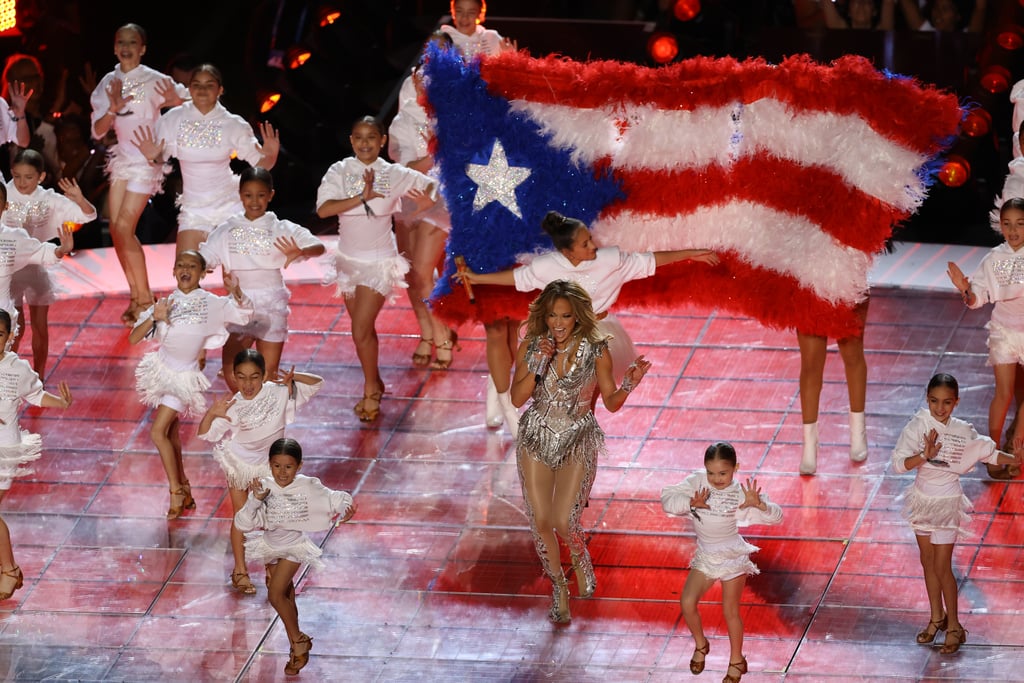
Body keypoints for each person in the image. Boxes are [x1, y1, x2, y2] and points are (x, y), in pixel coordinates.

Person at [460, 210, 718, 435]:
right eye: (585, 244)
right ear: (567, 252)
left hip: (597, 336)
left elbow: (650, 260)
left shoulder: (610, 262)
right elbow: (517, 278)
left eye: (591, 240)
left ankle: (580, 445)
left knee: (587, 400)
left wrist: (690, 254)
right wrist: (475, 278)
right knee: (556, 396)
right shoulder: (546, 268)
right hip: (561, 338)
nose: (593, 246)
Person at [511, 280, 651, 623]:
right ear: (544, 316)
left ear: (578, 318)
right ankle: (559, 586)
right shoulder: (531, 345)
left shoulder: (597, 349)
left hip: (577, 436)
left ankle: (579, 555)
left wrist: (629, 384)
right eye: (553, 316)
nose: (558, 323)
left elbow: (611, 402)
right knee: (540, 521)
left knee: (564, 519)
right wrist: (537, 365)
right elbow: (517, 398)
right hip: (536, 436)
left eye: (566, 316)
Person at [315, 116, 436, 423]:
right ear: (351, 141)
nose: (364, 143)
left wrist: (420, 205)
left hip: (379, 263)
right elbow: (323, 209)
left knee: (359, 329)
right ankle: (376, 381)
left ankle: (371, 388)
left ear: (382, 140)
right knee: (362, 332)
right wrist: (361, 197)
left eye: (371, 137)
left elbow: (433, 188)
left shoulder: (393, 174)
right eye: (358, 137)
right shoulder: (339, 171)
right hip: (347, 261)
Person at [891, 373, 1018, 655]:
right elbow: (899, 465)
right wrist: (924, 455)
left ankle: (955, 627)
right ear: (927, 399)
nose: (940, 408)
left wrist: (1013, 459)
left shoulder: (962, 430)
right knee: (927, 562)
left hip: (947, 503)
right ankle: (937, 618)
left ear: (956, 402)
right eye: (935, 401)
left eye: (947, 402)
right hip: (922, 501)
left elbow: (988, 453)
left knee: (942, 566)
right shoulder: (918, 425)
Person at [129, 250, 252, 519]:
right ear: (174, 271)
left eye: (192, 266)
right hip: (160, 371)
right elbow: (134, 338)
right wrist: (154, 317)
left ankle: (175, 490)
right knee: (170, 434)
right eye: (180, 265)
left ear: (202, 273)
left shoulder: (211, 304)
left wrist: (238, 294)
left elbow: (243, 313)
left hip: (184, 377)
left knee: (157, 432)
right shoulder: (165, 303)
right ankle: (184, 487)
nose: (185, 269)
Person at [197, 349, 323, 595]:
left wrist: (294, 379)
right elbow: (205, 433)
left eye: (254, 377)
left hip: (267, 468)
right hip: (240, 464)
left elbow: (317, 383)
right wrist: (211, 413)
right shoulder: (233, 405)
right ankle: (240, 571)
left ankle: (270, 571)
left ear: (264, 374)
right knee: (242, 517)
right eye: (241, 377)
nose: (248, 384)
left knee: (270, 519)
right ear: (233, 376)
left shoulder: (277, 393)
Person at [90, 23, 188, 324]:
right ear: (114, 46)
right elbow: (97, 130)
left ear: (142, 48)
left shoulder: (154, 79)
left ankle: (145, 298)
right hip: (122, 160)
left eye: (133, 42)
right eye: (121, 41)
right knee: (118, 230)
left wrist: (173, 103)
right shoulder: (109, 82)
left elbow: (188, 99)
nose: (126, 46)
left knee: (122, 226)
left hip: (147, 160)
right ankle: (136, 297)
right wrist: (113, 109)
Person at [661, 442, 783, 683]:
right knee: (687, 601)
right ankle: (701, 644)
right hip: (706, 556)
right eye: (711, 472)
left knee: (730, 611)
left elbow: (777, 516)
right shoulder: (697, 482)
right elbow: (667, 499)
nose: (716, 479)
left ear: (735, 468)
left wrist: (760, 505)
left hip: (731, 556)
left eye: (723, 473)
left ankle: (737, 660)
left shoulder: (740, 493)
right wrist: (689, 503)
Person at [234, 438, 356, 675]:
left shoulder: (307, 486)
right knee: (286, 595)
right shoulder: (263, 487)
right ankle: (296, 646)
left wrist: (346, 507)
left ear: (299, 466)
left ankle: (299, 641)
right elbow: (242, 523)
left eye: (288, 466)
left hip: (294, 548)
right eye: (276, 465)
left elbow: (336, 498)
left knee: (275, 594)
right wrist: (255, 500)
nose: (282, 472)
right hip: (269, 548)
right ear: (269, 464)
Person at [131, 63, 280, 254]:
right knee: (185, 274)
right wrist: (153, 156)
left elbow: (261, 166)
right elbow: (160, 159)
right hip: (194, 210)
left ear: (220, 90)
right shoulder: (173, 119)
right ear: (190, 88)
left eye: (209, 85)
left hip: (231, 206)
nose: (202, 90)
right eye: (197, 85)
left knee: (238, 277)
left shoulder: (232, 123)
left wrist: (271, 156)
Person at [199, 167, 325, 390]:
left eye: (260, 195)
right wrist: (198, 266)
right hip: (238, 306)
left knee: (267, 376)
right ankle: (247, 418)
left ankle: (265, 422)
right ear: (240, 195)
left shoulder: (280, 228)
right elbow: (206, 256)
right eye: (248, 195)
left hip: (271, 305)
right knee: (232, 373)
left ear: (270, 195)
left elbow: (318, 246)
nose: (254, 201)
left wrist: (302, 251)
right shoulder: (227, 229)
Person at [388, 31, 459, 371]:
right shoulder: (404, 120)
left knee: (424, 270)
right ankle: (427, 334)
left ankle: (443, 336)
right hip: (408, 197)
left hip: (441, 198)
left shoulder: (457, 107)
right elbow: (402, 163)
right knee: (412, 275)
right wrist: (431, 153)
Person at [947, 197, 1024, 479]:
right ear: (1000, 226)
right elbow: (978, 296)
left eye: (1020, 224)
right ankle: (992, 458)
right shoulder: (994, 259)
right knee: (1003, 394)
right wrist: (966, 289)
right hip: (1004, 331)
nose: (1013, 231)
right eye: (1007, 225)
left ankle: (1016, 452)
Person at [0, 308, 73, 603]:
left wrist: (61, 402)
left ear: (9, 337)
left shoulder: (18, 369)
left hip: (4, 448)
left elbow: (36, 395)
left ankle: (9, 569)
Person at [3, 149, 96, 377]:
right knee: (15, 326)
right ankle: (7, 374)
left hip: (39, 264)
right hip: (9, 269)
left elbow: (88, 215)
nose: (22, 182)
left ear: (41, 177)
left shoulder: (49, 199)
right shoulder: (4, 193)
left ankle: (39, 375)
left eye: (28, 177)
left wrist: (80, 199)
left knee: (39, 326)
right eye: (17, 176)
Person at [796, 298, 870, 475]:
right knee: (811, 363)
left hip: (846, 279)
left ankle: (859, 434)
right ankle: (809, 448)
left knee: (852, 353)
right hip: (809, 280)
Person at [1, 54, 57, 181]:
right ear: (11, 83)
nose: (35, 82)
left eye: (37, 76)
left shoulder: (49, 112)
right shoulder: (7, 121)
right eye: (27, 78)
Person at [441, 0, 516, 59]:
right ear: (453, 13)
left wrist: (511, 58)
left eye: (471, 13)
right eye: (459, 11)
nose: (464, 17)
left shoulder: (491, 37)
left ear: (480, 14)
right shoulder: (443, 38)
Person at [792, 0, 895, 30]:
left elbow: (888, 2)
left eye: (867, 2)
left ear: (874, 11)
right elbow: (827, 2)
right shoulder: (839, 27)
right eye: (856, 1)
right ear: (849, 11)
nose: (861, 4)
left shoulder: (884, 30)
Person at [898, 0, 985, 32]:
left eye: (945, 8)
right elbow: (906, 3)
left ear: (958, 16)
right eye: (936, 7)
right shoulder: (929, 33)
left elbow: (980, 8)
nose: (938, 12)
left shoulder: (967, 37)